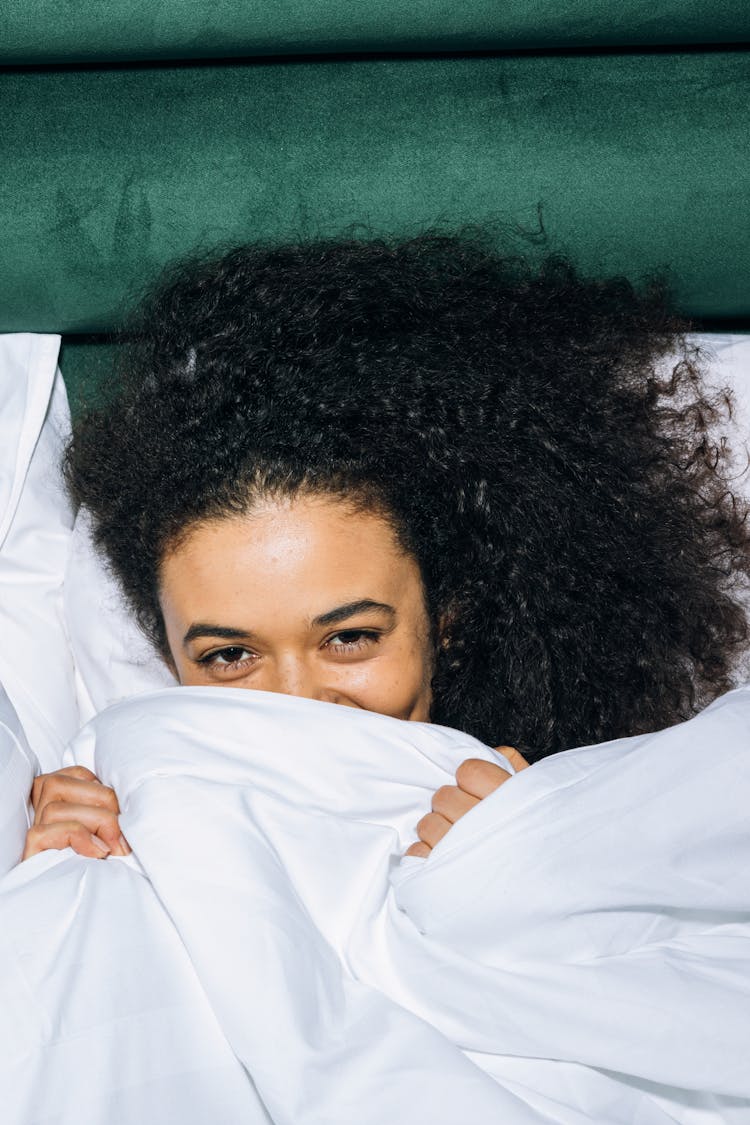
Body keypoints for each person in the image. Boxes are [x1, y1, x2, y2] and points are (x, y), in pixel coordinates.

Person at [22, 224, 750, 862]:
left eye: (348, 637)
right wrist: (71, 868)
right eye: (229, 655)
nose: (299, 705)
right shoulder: (131, 820)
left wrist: (558, 872)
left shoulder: (612, 805)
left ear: (446, 614)